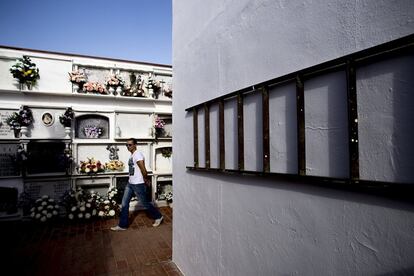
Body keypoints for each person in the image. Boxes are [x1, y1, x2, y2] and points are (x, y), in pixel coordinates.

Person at [111, 138, 163, 231]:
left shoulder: (138, 154)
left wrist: (146, 179)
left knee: (145, 203)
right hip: (130, 183)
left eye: (130, 144)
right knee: (124, 203)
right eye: (126, 145)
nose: (128, 146)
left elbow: (143, 168)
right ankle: (123, 225)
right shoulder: (132, 155)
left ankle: (158, 216)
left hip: (138, 184)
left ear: (135, 145)